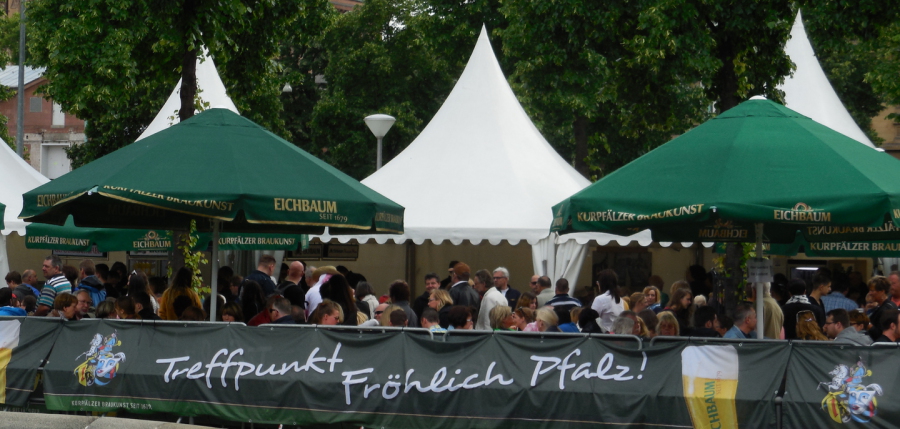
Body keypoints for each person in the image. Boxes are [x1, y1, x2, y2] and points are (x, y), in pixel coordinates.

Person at [865, 276, 897, 342]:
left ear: (882, 291)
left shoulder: (887, 309)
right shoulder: (879, 307)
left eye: (872, 290)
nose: (870, 293)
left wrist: (867, 324)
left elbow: (881, 334)